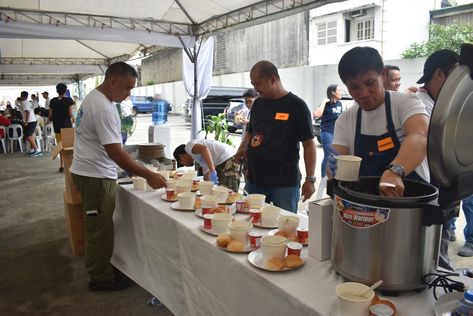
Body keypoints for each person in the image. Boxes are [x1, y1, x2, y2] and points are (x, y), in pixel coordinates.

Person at [70, 62, 167, 291]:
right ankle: (100, 277)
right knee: (99, 229)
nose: (128, 95)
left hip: (91, 172)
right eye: (126, 88)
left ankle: (102, 267)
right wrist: (148, 174)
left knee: (100, 225)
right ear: (112, 82)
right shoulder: (103, 108)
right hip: (95, 176)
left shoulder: (95, 98)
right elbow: (115, 152)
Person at [330, 46, 429, 198]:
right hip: (365, 208)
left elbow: (419, 137)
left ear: (382, 74)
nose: (363, 93)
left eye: (369, 83)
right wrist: (333, 168)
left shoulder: (406, 103)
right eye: (354, 87)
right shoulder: (345, 120)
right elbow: (338, 156)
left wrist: (394, 172)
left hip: (410, 205)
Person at [235, 60, 316, 213]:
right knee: (250, 222)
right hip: (254, 181)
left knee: (283, 228)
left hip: (283, 184)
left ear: (272, 79)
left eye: (258, 84)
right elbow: (250, 132)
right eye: (253, 84)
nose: (255, 89)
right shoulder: (258, 104)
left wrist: (310, 179)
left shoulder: (297, 106)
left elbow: (309, 144)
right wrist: (242, 147)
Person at [415, 49, 472, 261]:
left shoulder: (442, 104)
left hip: (448, 192)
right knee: (433, 256)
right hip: (432, 192)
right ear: (440, 75)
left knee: (441, 247)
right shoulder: (422, 104)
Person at [173, 139, 240, 192]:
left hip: (228, 158)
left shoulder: (188, 147)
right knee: (221, 191)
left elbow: (204, 149)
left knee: (228, 191)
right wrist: (205, 189)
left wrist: (213, 171)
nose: (186, 166)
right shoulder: (198, 157)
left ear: (182, 157)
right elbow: (206, 176)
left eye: (182, 163)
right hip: (223, 160)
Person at [313, 84, 343, 178]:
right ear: (333, 92)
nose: (341, 92)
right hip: (327, 132)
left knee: (336, 155)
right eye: (339, 90)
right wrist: (323, 102)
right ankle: (323, 177)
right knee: (328, 154)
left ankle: (332, 175)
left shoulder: (339, 104)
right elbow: (317, 115)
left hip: (337, 133)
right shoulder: (326, 104)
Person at [49, 83, 74, 172]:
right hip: (67, 126)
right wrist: (74, 119)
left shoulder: (52, 101)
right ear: (65, 90)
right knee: (69, 147)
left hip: (57, 127)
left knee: (60, 146)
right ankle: (70, 165)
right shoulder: (69, 100)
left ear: (57, 91)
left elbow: (50, 115)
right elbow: (71, 114)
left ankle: (61, 164)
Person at [19, 91, 41, 157]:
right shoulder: (27, 102)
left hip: (30, 121)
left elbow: (28, 112)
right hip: (32, 120)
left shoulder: (24, 103)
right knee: (30, 136)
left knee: (28, 136)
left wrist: (26, 121)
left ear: (22, 96)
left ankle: (37, 150)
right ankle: (32, 150)